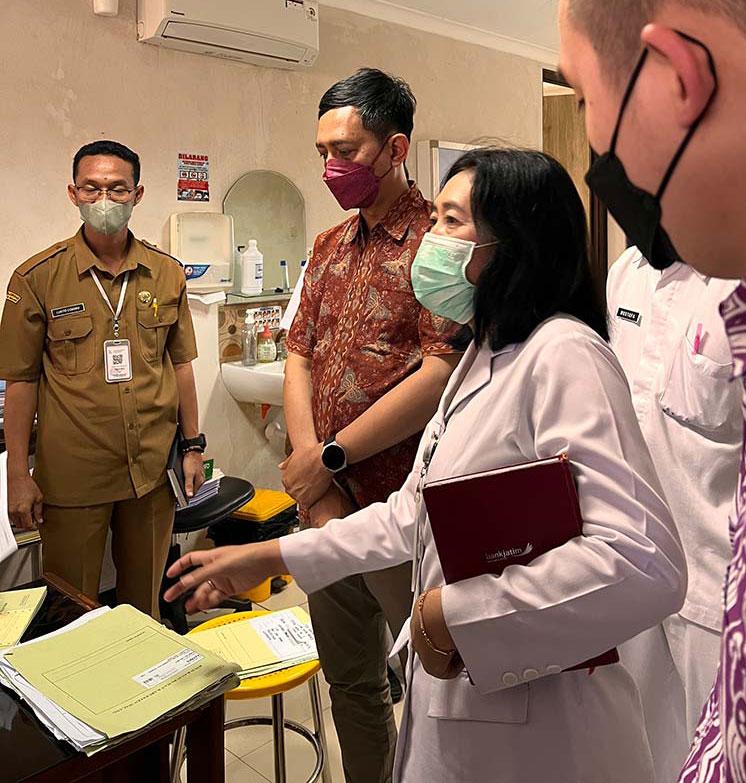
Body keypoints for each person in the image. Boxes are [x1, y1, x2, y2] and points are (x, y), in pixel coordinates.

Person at [166, 147, 687, 783]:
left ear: (514, 245)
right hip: (470, 713)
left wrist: (456, 617)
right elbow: (413, 511)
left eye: (450, 222)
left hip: (547, 730)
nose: (428, 242)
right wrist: (271, 556)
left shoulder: (565, 355)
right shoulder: (486, 352)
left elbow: (642, 563)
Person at [557, 1, 746, 780]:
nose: (597, 144)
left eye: (583, 95)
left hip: (707, 588)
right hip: (647, 571)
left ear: (677, 77)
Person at [280, 68, 463, 781]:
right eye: (322, 148)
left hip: (402, 512)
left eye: (347, 150)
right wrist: (310, 472)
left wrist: (329, 457)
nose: (332, 167)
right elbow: (298, 352)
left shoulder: (438, 246)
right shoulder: (328, 246)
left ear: (395, 148)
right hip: (324, 507)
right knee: (350, 680)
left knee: (431, 684)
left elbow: (439, 370)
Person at [0, 140, 205, 619]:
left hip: (152, 473)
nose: (104, 200)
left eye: (117, 189)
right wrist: (16, 476)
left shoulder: (167, 273)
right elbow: (21, 381)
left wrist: (193, 447)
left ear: (137, 194)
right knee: (70, 614)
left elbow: (181, 366)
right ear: (73, 194)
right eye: (91, 188)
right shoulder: (36, 278)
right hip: (74, 478)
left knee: (143, 612)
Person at [607, 247, 741, 781]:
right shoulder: (627, 275)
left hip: (723, 597)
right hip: (636, 569)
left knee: (726, 763)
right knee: (638, 752)